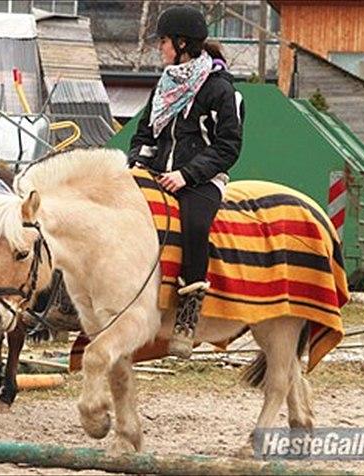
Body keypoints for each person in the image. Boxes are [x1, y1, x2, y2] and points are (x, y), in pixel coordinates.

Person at [128, 5, 244, 358]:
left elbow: (228, 146)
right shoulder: (162, 86)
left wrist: (187, 174)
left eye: (163, 41)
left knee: (194, 225)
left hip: (201, 180)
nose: (159, 48)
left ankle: (188, 313)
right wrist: (136, 163)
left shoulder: (222, 90)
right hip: (158, 173)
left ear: (182, 43)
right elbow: (144, 133)